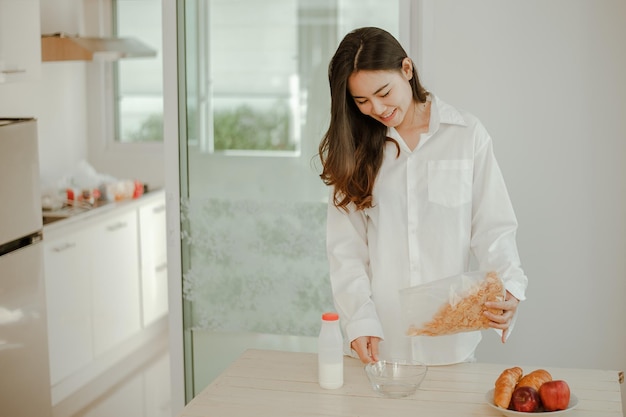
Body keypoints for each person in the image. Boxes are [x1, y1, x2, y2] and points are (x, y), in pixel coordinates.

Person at [317, 27, 528, 366]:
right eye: (362, 101)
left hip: (451, 348)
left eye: (384, 92)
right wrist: (359, 320)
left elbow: (493, 227)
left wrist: (510, 287)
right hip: (380, 347)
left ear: (407, 69)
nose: (377, 108)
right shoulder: (354, 151)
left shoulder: (466, 135)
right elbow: (346, 251)